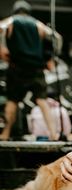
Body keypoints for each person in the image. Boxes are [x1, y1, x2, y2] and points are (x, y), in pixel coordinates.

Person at [0, 0, 63, 141]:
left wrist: (2, 47)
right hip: (36, 68)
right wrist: (50, 57)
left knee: (12, 101)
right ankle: (53, 134)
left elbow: (1, 28)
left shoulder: (11, 20)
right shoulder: (37, 24)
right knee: (42, 100)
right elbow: (57, 38)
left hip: (17, 68)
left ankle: (5, 134)